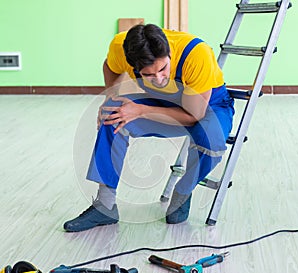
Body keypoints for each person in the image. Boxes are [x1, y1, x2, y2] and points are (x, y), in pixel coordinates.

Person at [63, 24, 234, 232]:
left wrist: (141, 110)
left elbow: (193, 116)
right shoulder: (120, 46)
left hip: (207, 105)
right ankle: (105, 206)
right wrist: (112, 97)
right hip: (160, 101)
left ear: (169, 53)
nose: (159, 78)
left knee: (211, 140)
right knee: (113, 114)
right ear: (134, 65)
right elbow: (110, 67)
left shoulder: (197, 55)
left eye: (163, 69)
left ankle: (183, 192)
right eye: (149, 75)